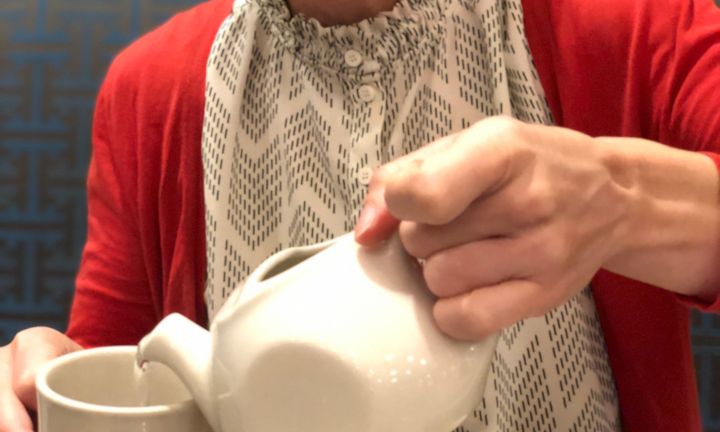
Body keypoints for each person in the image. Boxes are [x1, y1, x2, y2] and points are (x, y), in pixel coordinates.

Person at [1, 0, 719, 430]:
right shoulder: (149, 91)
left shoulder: (621, 23)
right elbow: (117, 372)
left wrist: (624, 199)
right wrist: (36, 385)